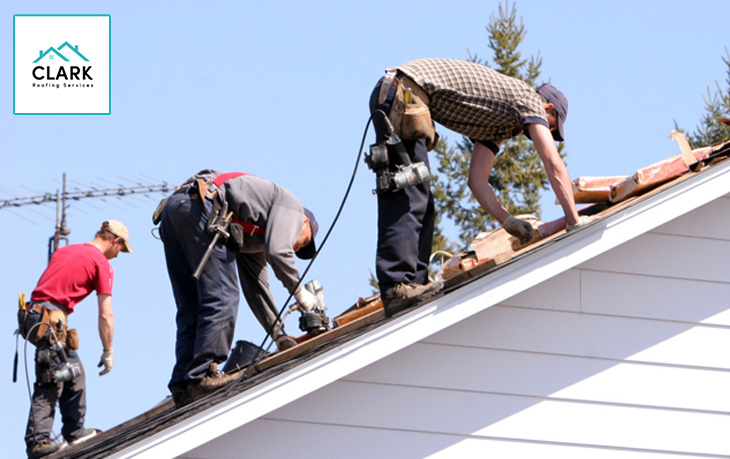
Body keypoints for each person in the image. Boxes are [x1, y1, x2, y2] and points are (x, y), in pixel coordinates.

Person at [369, 57, 589, 317]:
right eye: (550, 126)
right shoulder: (529, 100)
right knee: (409, 192)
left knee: (423, 202)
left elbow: (477, 180)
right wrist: (574, 221)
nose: (545, 133)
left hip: (404, 94)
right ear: (547, 108)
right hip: (403, 91)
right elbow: (553, 163)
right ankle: (397, 288)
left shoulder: (498, 125)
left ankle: (413, 286)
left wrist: (507, 221)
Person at [158, 170, 319, 408]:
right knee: (222, 298)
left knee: (192, 306)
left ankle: (183, 385)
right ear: (304, 221)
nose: (297, 247)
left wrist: (279, 336)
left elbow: (257, 288)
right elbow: (279, 253)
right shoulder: (292, 207)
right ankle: (203, 375)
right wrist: (299, 292)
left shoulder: (254, 234)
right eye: (304, 241)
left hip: (177, 209)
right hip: (201, 206)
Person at [23, 220, 132, 459]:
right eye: (120, 249)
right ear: (115, 240)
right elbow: (106, 314)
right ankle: (38, 443)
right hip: (50, 319)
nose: (117, 255)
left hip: (35, 315)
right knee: (51, 380)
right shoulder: (100, 263)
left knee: (74, 373)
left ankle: (74, 432)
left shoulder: (66, 250)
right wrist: (108, 351)